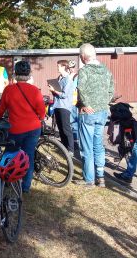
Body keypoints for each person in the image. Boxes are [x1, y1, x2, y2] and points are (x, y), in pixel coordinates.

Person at [0, 61, 44, 193]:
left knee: (10, 154)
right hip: (33, 128)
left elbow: (1, 109)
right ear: (29, 74)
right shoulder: (35, 90)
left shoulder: (9, 89)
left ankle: (5, 179)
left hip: (15, 129)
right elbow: (41, 112)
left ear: (15, 74)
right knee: (29, 156)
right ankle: (25, 187)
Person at [76, 43, 114, 187]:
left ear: (83, 57)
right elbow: (111, 89)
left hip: (89, 113)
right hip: (102, 112)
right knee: (98, 145)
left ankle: (89, 179)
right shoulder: (106, 70)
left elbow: (81, 88)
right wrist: (104, 103)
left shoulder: (84, 71)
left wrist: (86, 104)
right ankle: (101, 177)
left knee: (87, 146)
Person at [49, 60, 75, 154]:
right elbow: (57, 92)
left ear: (64, 67)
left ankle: (71, 150)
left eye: (59, 66)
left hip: (64, 107)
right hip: (57, 105)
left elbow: (64, 95)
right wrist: (52, 90)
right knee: (60, 128)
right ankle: (64, 148)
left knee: (66, 128)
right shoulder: (59, 78)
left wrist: (54, 91)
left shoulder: (68, 79)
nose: (57, 67)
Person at [68, 60, 82, 159]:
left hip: (73, 102)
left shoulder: (75, 76)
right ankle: (72, 141)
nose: (70, 69)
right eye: (69, 67)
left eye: (72, 67)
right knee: (70, 123)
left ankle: (76, 142)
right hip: (67, 102)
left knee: (74, 123)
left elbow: (73, 88)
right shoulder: (66, 76)